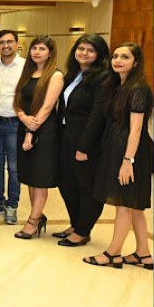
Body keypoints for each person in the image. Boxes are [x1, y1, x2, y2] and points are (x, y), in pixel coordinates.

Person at [85, 42, 154, 269]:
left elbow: (136, 129)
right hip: (118, 147)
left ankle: (113, 253)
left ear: (136, 62)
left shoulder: (138, 89)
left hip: (129, 151)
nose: (118, 60)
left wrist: (128, 161)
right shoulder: (120, 86)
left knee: (123, 204)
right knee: (134, 205)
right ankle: (143, 254)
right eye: (115, 56)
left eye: (125, 57)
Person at [55, 34, 110, 247]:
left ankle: (83, 231)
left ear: (99, 54)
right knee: (66, 182)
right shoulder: (73, 75)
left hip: (86, 140)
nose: (84, 53)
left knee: (86, 186)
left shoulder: (103, 77)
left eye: (90, 50)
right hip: (66, 135)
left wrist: (84, 146)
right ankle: (75, 223)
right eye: (81, 48)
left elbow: (97, 114)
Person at [12, 35, 64, 239]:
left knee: (40, 178)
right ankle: (38, 215)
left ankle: (33, 222)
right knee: (29, 177)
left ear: (50, 53)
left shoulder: (55, 75)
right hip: (26, 125)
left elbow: (48, 107)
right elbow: (18, 100)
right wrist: (23, 117)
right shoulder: (28, 73)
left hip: (44, 131)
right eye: (34, 48)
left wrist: (31, 132)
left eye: (42, 49)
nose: (37, 52)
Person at [0, 29, 26, 224]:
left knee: (13, 167)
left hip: (15, 122)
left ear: (16, 44)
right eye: (2, 42)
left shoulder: (26, 66)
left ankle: (12, 204)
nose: (6, 45)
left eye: (10, 41)